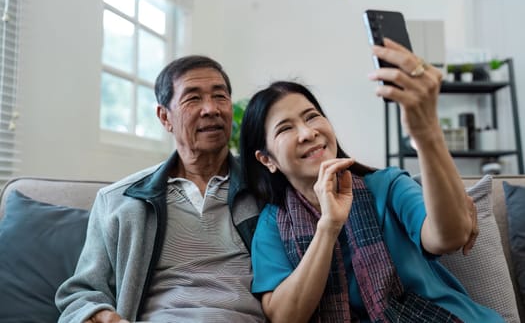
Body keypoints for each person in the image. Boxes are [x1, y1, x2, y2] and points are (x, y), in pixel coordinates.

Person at [239, 39, 504, 322]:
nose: (307, 133)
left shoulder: (387, 185)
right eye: (286, 128)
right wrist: (328, 226)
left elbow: (448, 237)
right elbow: (285, 316)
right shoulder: (271, 224)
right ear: (267, 160)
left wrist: (426, 135)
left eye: (312, 117)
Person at [55, 55, 266, 323]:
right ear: (165, 117)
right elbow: (82, 293)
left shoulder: (265, 190)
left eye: (220, 96)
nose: (211, 109)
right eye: (193, 98)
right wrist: (101, 315)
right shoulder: (119, 201)